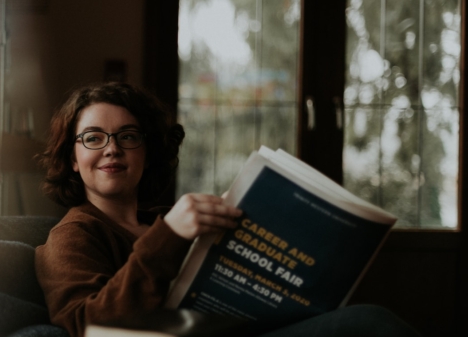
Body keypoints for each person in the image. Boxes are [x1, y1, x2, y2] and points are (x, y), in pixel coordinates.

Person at [34, 81, 421, 337]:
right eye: (93, 138)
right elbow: (84, 326)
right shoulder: (73, 234)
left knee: (369, 320)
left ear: (148, 153)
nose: (112, 148)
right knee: (369, 324)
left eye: (128, 136)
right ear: (71, 158)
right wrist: (168, 235)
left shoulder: (165, 216)